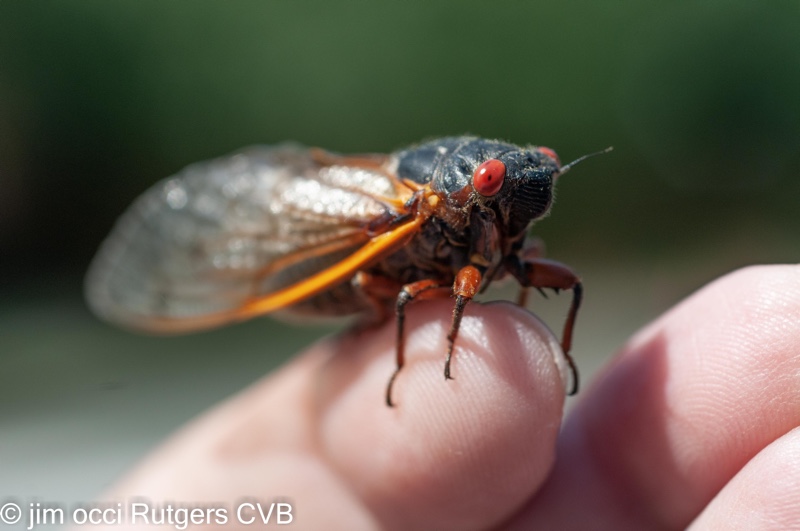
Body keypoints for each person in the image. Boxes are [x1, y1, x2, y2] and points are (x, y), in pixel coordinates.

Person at [102, 265, 800, 529]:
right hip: (356, 261)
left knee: (569, 289)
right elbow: (413, 294)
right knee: (410, 299)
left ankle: (538, 351)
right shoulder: (445, 215)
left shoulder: (499, 231)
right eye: (499, 183)